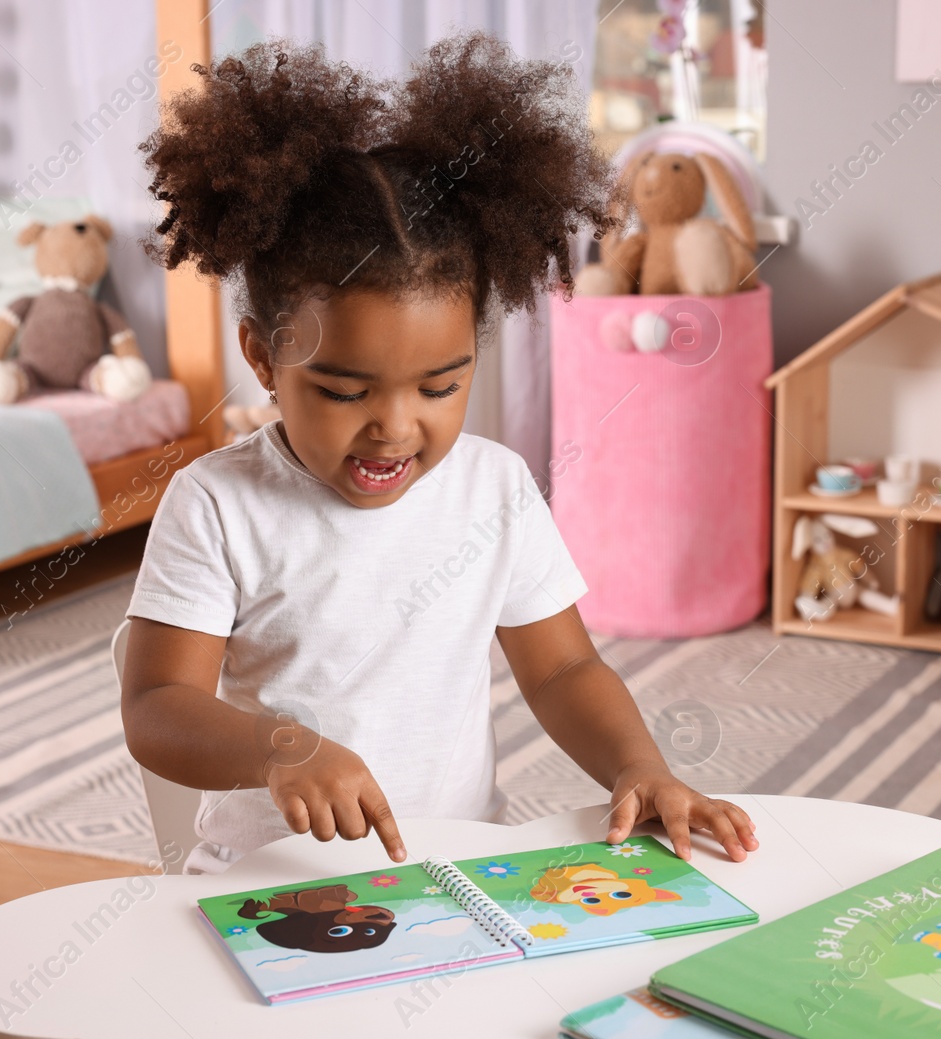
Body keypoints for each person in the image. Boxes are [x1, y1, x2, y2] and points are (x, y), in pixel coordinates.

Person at [120, 31, 759, 874]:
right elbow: (158, 706)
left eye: (439, 386)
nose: (394, 426)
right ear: (264, 357)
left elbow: (564, 666)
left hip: (456, 873)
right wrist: (282, 748)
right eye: (346, 392)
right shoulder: (217, 503)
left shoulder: (491, 486)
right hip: (268, 885)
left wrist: (639, 766)